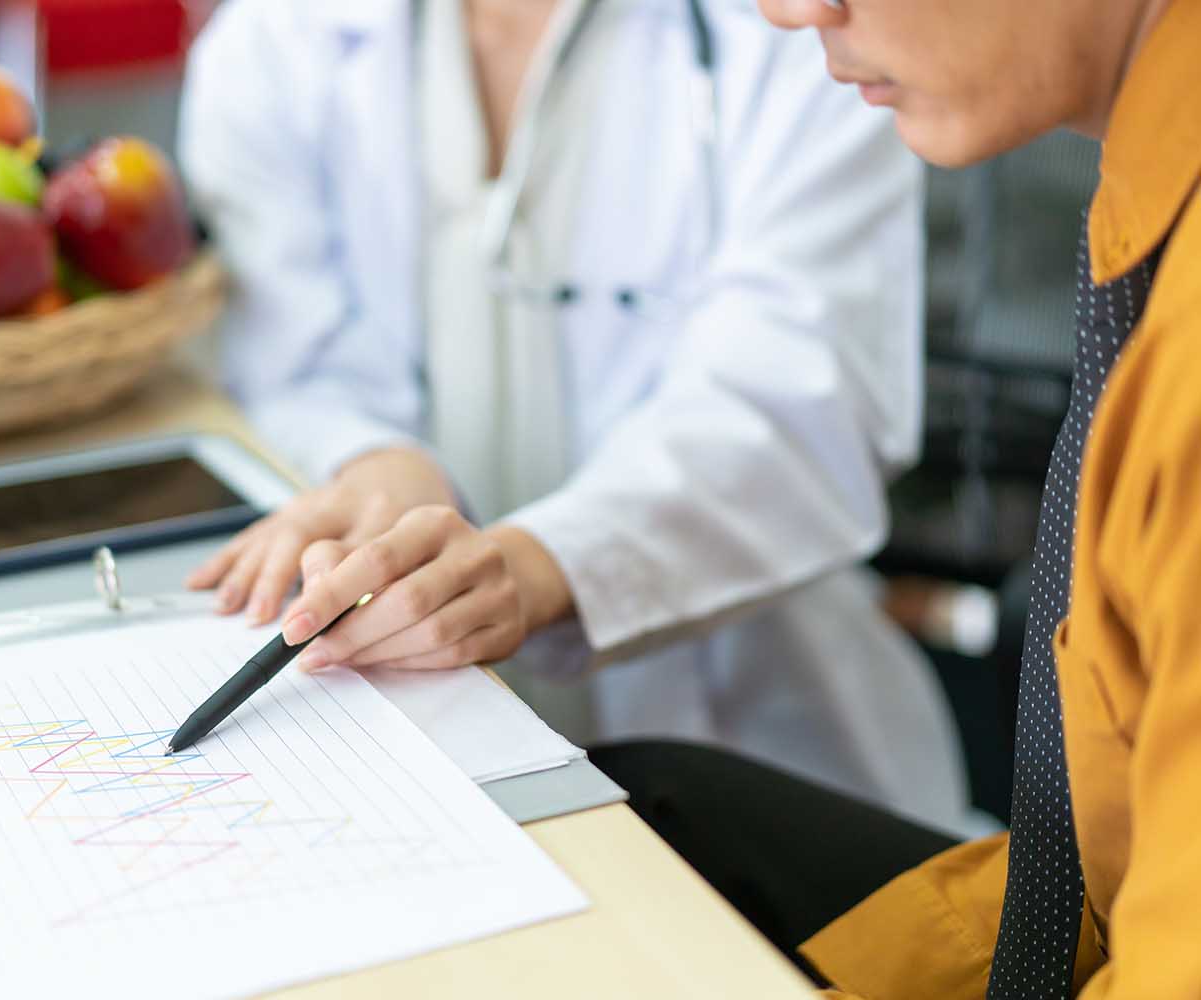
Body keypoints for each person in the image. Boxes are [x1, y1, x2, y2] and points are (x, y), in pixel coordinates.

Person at [179, 0, 967, 829]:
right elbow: (289, 362)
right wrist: (375, 460)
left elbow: (801, 394)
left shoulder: (803, 23)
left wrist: (540, 565)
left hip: (759, 738)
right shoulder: (273, 40)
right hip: (407, 749)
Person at [588, 0, 1201, 996]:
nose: (790, 12)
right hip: (1092, 904)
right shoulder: (1147, 186)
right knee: (641, 808)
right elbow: (1115, 868)